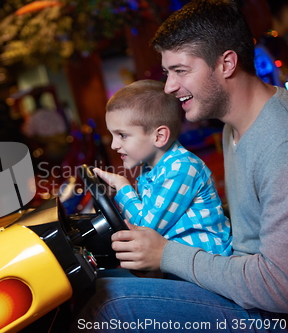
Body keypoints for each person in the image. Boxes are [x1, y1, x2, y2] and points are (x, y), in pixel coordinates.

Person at [73, 0, 288, 331]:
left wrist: (166, 254)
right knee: (92, 280)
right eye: (167, 73)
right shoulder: (235, 126)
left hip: (269, 314)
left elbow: (278, 288)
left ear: (226, 63)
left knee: (106, 302)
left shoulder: (279, 144)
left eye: (181, 71)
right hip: (242, 285)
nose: (170, 87)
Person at [94, 79, 231, 255]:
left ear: (159, 136)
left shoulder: (181, 168)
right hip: (176, 262)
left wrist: (122, 186)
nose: (114, 145)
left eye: (122, 135)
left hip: (207, 265)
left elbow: (145, 230)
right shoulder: (151, 168)